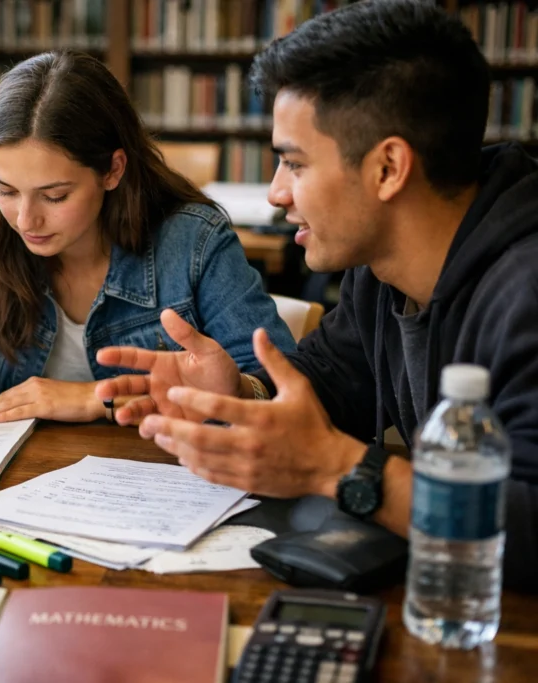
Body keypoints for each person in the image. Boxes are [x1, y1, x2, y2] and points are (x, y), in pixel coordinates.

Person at [95, 0, 538, 592]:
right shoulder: (379, 268)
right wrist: (239, 395)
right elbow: (327, 385)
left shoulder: (526, 288)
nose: (277, 192)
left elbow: (529, 524)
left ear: (388, 168)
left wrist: (335, 467)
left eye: (293, 163)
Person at [0, 51, 294, 425]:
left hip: (153, 486)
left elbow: (281, 386)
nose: (25, 219)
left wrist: (95, 398)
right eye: (6, 190)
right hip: (5, 486)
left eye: (54, 196)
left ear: (113, 170)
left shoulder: (192, 241)